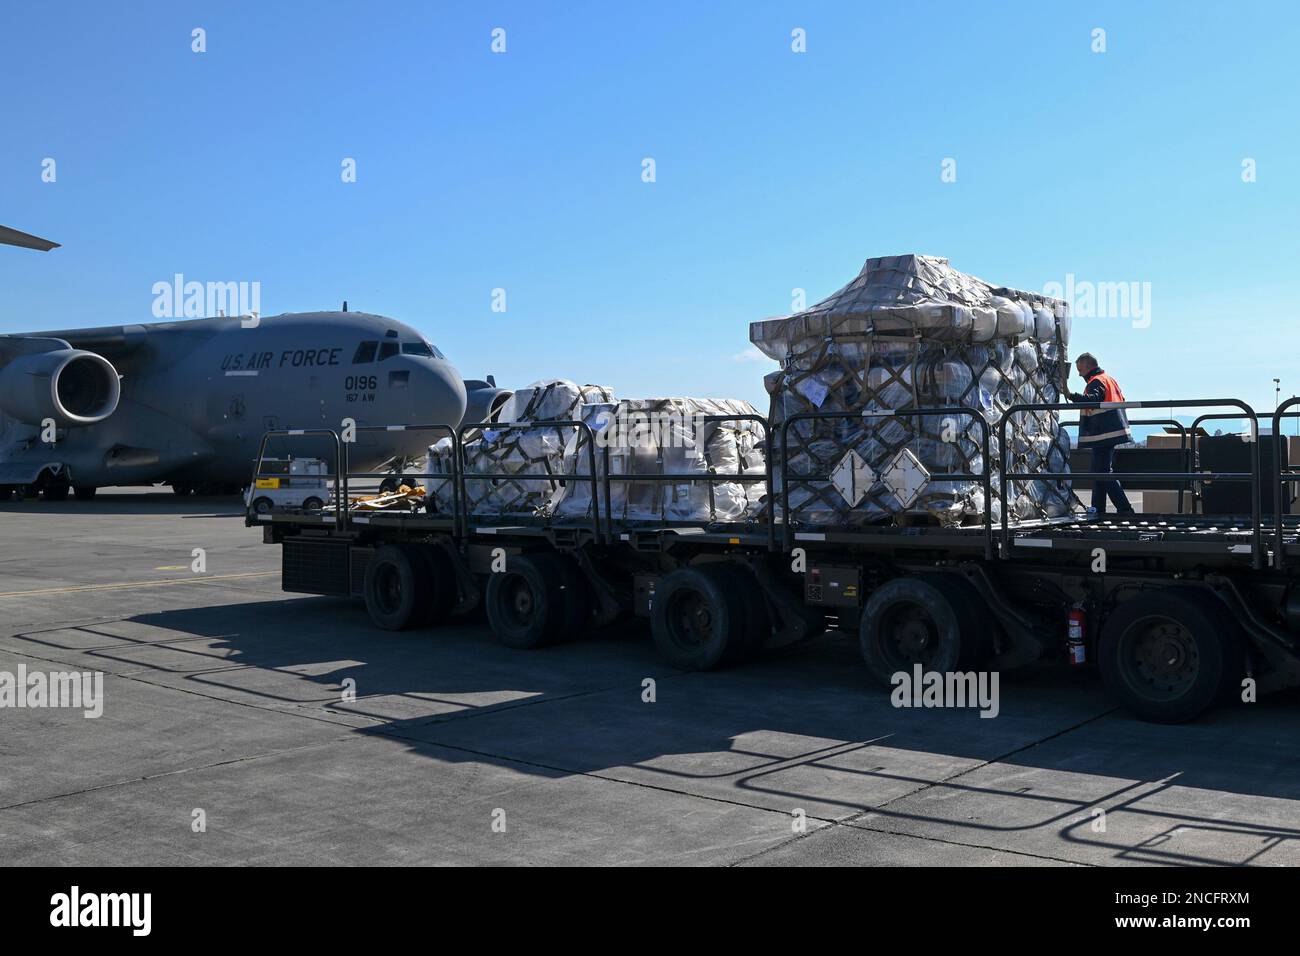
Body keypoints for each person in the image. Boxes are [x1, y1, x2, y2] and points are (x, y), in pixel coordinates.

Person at [1069, 353, 1134, 515]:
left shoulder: (1096, 381)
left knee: (1103, 473)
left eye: (1080, 370)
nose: (1079, 374)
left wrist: (1072, 396)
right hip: (1111, 432)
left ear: (1089, 367)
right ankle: (1098, 509)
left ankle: (1125, 509)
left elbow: (1092, 400)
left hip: (1104, 434)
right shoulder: (1108, 379)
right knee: (1098, 472)